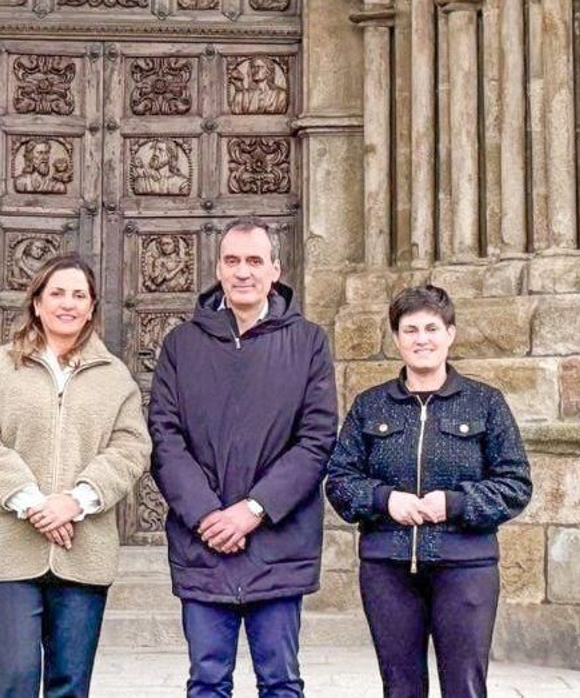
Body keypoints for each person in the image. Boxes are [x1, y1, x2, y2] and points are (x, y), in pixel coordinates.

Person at [148, 216, 338, 698]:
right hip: (203, 542)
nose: (243, 271)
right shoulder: (181, 345)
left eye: (255, 260)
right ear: (218, 269)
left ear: (276, 270)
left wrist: (254, 509)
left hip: (278, 540)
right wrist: (207, 515)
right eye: (232, 260)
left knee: (280, 682)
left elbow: (316, 439)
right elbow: (165, 437)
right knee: (207, 682)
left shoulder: (308, 342)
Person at [0, 254, 153, 698]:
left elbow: (130, 448)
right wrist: (33, 503)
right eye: (57, 293)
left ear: (91, 307)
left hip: (83, 551)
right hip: (10, 551)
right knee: (17, 678)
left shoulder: (115, 378)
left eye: (79, 295)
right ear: (38, 302)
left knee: (70, 685)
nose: (68, 303)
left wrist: (76, 500)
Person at [325, 285, 533, 698]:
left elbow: (515, 484)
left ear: (450, 334)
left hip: (465, 566)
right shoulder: (370, 405)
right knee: (400, 688)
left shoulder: (485, 403)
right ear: (397, 338)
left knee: (464, 687)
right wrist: (386, 500)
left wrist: (454, 504)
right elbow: (340, 480)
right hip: (388, 568)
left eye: (431, 328)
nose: (422, 339)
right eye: (410, 330)